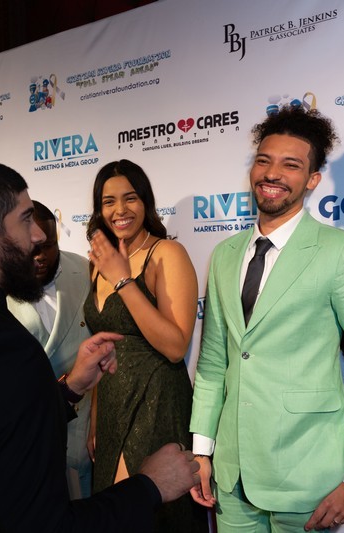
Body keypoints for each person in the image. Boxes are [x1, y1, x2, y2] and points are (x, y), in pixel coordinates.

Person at [0, 159, 200, 532]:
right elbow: (43, 523)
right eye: (25, 220)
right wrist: (150, 486)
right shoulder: (4, 347)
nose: (38, 236)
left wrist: (69, 389)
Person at [189, 107, 344, 531]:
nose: (272, 173)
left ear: (313, 179)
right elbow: (212, 364)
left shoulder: (342, 252)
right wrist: (202, 450)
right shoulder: (225, 255)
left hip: (308, 475)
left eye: (291, 165)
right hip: (231, 475)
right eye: (264, 160)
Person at [83, 159, 205, 532]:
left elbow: (175, 346)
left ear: (146, 202)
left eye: (130, 198)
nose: (120, 210)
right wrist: (95, 418)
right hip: (111, 404)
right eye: (108, 201)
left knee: (151, 516)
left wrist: (123, 280)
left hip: (156, 401)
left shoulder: (166, 253)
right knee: (114, 516)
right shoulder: (99, 262)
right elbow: (104, 346)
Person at [7, 201, 93, 499]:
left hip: (82, 430)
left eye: (49, 246)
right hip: (26, 433)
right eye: (32, 249)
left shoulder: (84, 269)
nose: (41, 257)